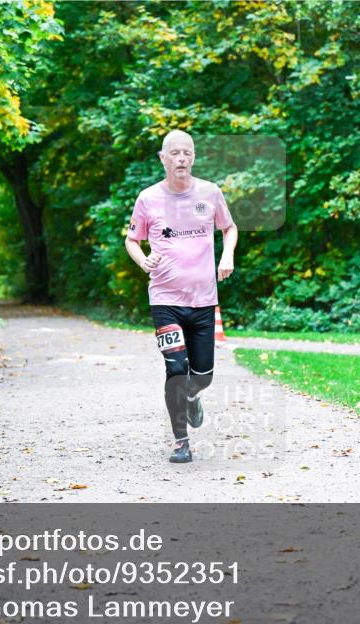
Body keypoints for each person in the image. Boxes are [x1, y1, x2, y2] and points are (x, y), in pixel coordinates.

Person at [124, 130, 238, 463]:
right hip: (164, 299)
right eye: (174, 153)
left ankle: (192, 397)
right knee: (175, 368)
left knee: (203, 375)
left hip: (203, 299)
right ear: (163, 158)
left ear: (193, 157)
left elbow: (229, 228)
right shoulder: (148, 199)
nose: (181, 159)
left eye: (187, 152)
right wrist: (143, 259)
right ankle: (181, 442)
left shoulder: (210, 192)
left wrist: (227, 256)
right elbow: (132, 240)